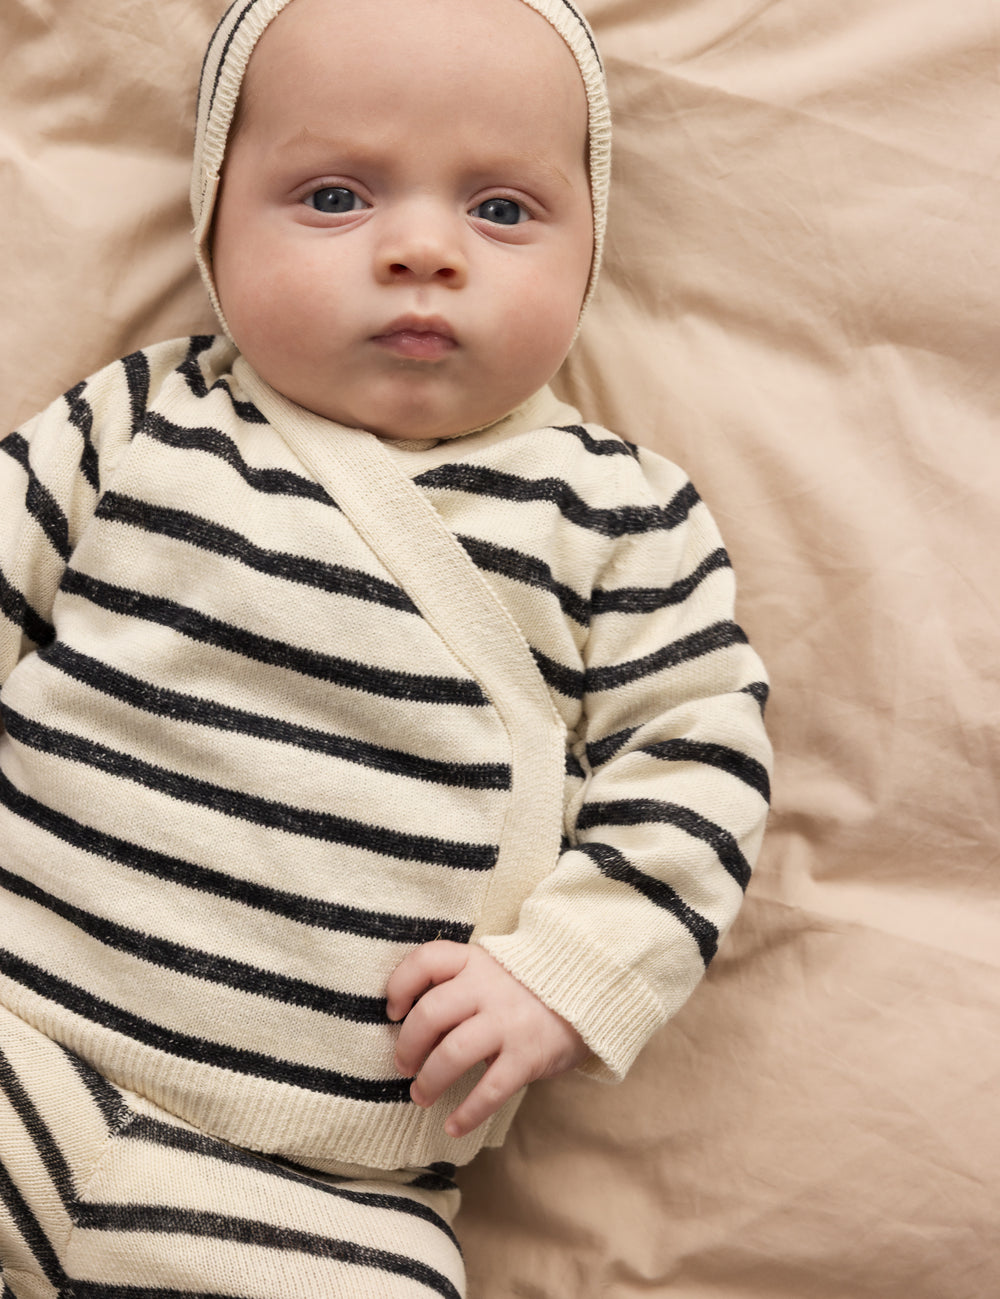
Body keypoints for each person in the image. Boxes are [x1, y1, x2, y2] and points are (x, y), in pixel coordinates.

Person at [0, 0, 771, 1293]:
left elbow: (698, 762)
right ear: (213, 222)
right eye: (336, 196)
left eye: (503, 210)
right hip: (19, 1018)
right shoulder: (139, 421)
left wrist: (571, 974)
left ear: (592, 248)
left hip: (328, 1185)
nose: (423, 250)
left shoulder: (619, 518)